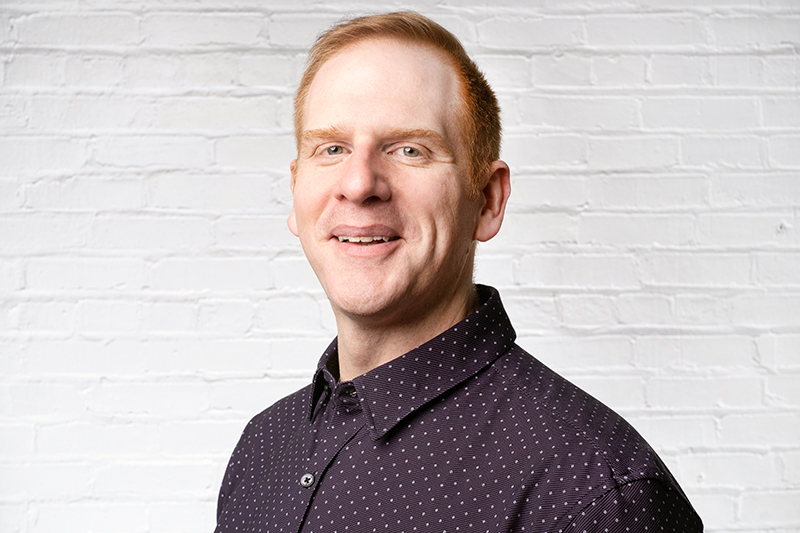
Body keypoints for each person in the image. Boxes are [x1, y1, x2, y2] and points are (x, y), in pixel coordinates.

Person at [214, 11, 703, 533]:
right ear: (295, 189)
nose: (358, 184)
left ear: (488, 200)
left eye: (409, 149)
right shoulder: (263, 447)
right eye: (331, 148)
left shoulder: (596, 494)